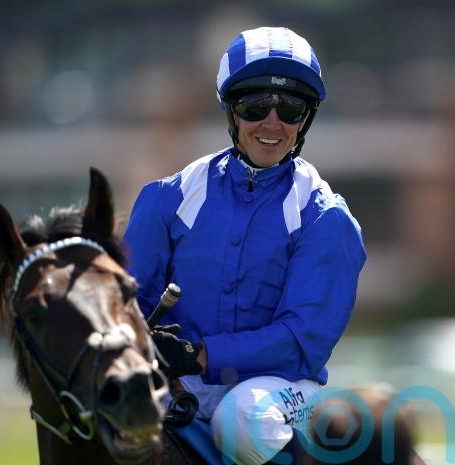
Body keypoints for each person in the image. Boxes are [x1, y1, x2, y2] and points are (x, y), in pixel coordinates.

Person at [123, 26, 366, 465]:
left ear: (306, 118)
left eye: (290, 108)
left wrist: (201, 356)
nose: (272, 123)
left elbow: (301, 342)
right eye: (256, 106)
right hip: (176, 382)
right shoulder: (166, 199)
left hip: (282, 390)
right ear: (232, 111)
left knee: (241, 419)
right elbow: (127, 300)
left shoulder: (325, 218)